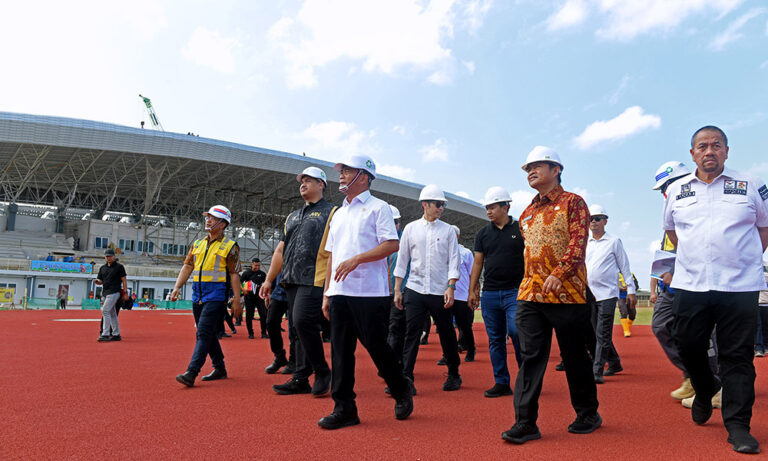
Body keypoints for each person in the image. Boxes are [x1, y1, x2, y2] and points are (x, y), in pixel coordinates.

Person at [663, 126, 768, 454]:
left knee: (737, 357)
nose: (710, 151)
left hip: (739, 286)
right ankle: (706, 387)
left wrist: (740, 258)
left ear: (726, 151)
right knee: (689, 345)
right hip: (691, 285)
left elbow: (764, 228)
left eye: (716, 146)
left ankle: (738, 426)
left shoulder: (750, 185)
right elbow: (672, 232)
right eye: (702, 146)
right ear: (692, 153)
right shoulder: (677, 190)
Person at [502, 146, 600, 444]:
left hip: (568, 296)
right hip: (530, 295)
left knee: (574, 357)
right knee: (530, 358)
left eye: (537, 165)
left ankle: (588, 413)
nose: (530, 171)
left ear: (556, 169)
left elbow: (578, 245)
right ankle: (525, 422)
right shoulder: (527, 213)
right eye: (527, 167)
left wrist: (559, 274)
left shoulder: (574, 203)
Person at [319, 154, 413, 429]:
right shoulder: (338, 214)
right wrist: (327, 292)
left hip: (370, 293)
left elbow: (391, 245)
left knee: (376, 347)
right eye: (341, 170)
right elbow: (332, 255)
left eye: (347, 170)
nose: (341, 175)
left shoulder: (379, 208)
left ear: (364, 176)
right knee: (340, 352)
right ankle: (345, 408)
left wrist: (357, 259)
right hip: (339, 293)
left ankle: (400, 388)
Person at [260, 166, 336, 397]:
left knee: (303, 322)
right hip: (290, 279)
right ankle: (301, 378)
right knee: (296, 329)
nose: (303, 184)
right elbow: (280, 251)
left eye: (309, 180)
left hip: (315, 277)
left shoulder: (333, 212)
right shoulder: (293, 216)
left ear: (321, 184)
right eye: (301, 181)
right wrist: (268, 279)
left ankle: (322, 371)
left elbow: (336, 249)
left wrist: (329, 285)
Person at [650, 160, 719, 403]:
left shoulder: (701, 205)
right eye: (662, 189)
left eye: (667, 186)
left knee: (703, 334)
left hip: (695, 283)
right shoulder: (673, 210)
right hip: (671, 286)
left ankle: (714, 384)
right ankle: (694, 375)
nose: (665, 192)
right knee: (661, 325)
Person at [395, 185, 462, 393]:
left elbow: (454, 261)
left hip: (440, 290)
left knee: (446, 333)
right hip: (414, 288)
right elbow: (402, 260)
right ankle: (406, 378)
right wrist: (398, 289)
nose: (441, 208)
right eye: (438, 204)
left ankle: (453, 373)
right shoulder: (410, 229)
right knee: (411, 334)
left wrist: (451, 287)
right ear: (425, 204)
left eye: (443, 205)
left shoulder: (449, 230)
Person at [172, 205, 242, 387]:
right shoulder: (197, 244)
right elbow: (187, 266)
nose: (208, 220)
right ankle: (220, 368)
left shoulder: (230, 246)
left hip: (217, 296)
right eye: (207, 217)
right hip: (198, 295)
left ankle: (191, 372)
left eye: (213, 218)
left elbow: (234, 274)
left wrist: (236, 299)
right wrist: (177, 287)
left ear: (223, 224)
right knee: (208, 334)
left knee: (202, 333)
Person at [468, 186, 525, 398]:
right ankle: (501, 382)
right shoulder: (483, 234)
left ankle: (525, 378)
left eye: (493, 207)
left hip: (515, 292)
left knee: (517, 332)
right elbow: (478, 263)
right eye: (487, 208)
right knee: (495, 340)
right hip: (490, 294)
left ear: (506, 207)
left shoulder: (521, 230)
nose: (488, 211)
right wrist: (473, 290)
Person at [585, 204, 636, 384]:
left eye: (598, 218)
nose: (594, 222)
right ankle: (614, 363)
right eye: (591, 218)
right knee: (595, 331)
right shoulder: (585, 242)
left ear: (605, 221)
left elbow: (624, 266)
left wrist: (631, 290)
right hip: (589, 294)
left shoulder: (614, 241)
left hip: (607, 294)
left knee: (603, 332)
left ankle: (596, 370)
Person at [386, 205, 409, 371]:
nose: (394, 225)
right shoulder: (375, 241)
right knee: (384, 331)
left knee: (395, 329)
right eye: (390, 222)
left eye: (395, 222)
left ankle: (394, 365)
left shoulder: (405, 243)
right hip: (378, 294)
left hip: (399, 294)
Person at [451, 224, 476, 362]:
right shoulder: (442, 252)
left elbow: (473, 274)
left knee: (464, 326)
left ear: (457, 236)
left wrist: (473, 293)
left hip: (461, 295)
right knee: (446, 328)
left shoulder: (466, 253)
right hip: (446, 295)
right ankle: (448, 354)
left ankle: (471, 350)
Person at [264, 271, 296, 374]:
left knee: (294, 327)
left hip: (297, 289)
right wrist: (269, 286)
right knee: (271, 321)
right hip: (279, 291)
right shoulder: (279, 253)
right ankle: (279, 356)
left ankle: (294, 360)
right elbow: (276, 262)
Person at [95, 249, 128, 342]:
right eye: (106, 256)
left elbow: (124, 280)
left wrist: (125, 293)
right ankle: (116, 334)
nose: (108, 258)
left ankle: (105, 334)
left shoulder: (119, 267)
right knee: (113, 313)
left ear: (114, 256)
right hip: (105, 292)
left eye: (110, 256)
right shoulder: (102, 268)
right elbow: (101, 280)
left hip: (114, 292)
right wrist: (97, 282)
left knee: (105, 311)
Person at [241, 258, 267, 339]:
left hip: (259, 297)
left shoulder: (262, 274)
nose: (257, 267)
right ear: (252, 264)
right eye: (256, 265)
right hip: (249, 297)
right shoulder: (246, 273)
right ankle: (250, 333)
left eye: (259, 265)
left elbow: (266, 283)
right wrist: (243, 290)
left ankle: (264, 333)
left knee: (263, 314)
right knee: (249, 315)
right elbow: (239, 282)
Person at [617, 273, 638, 337]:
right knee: (624, 312)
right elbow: (611, 286)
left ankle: (627, 326)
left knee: (633, 314)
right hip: (621, 297)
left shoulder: (631, 274)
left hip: (630, 296)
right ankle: (626, 331)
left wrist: (629, 288)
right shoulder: (614, 274)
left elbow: (636, 286)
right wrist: (620, 289)